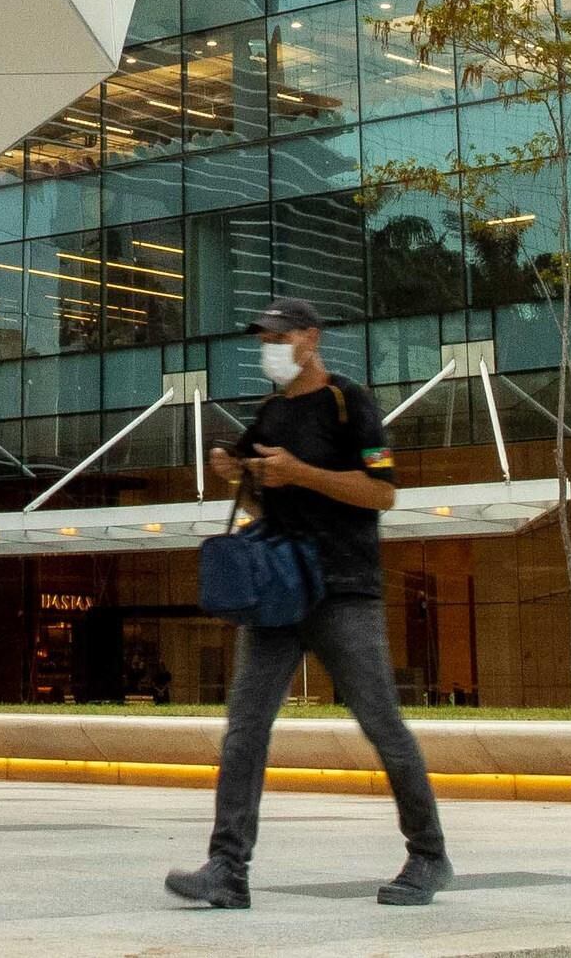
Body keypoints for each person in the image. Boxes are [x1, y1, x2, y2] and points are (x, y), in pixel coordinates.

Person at [163, 300, 450, 913]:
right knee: (245, 728)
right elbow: (268, 505)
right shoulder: (268, 414)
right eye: (264, 336)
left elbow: (382, 493)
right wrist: (235, 476)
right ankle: (227, 867)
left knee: (381, 723)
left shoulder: (351, 405)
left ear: (310, 339)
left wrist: (302, 472)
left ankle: (428, 853)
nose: (270, 345)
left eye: (280, 334)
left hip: (343, 590)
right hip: (278, 589)